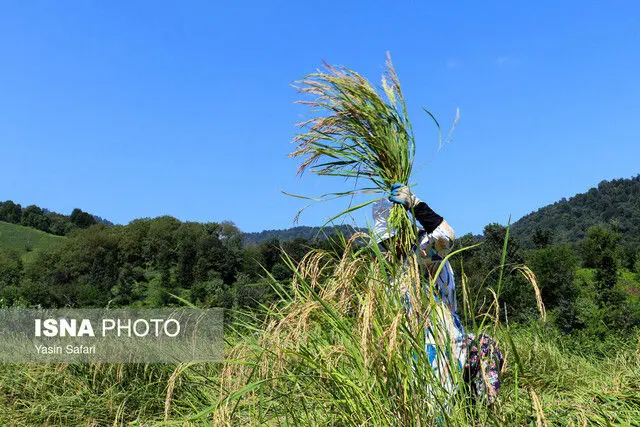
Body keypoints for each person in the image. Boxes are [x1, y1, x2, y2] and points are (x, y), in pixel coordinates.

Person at [374, 183, 503, 406]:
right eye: (386, 243)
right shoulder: (392, 273)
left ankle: (482, 412)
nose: (391, 247)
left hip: (448, 342)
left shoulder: (423, 250)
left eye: (393, 240)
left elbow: (446, 235)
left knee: (484, 347)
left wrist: (415, 205)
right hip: (420, 353)